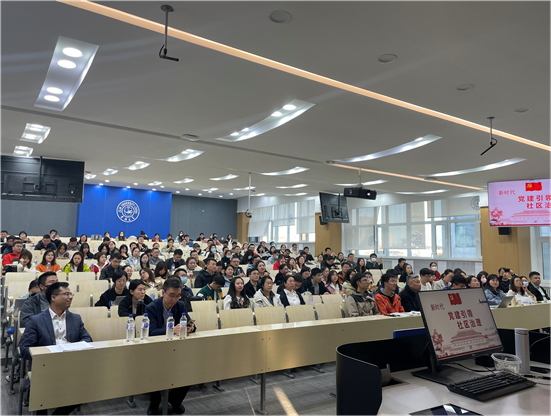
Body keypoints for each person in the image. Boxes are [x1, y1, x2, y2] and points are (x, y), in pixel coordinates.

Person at [19, 281, 92, 416]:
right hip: (45, 368)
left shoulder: (75, 318)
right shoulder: (36, 320)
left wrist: (72, 346)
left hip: (70, 366)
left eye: (71, 294)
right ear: (53, 297)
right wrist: (49, 352)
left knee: (87, 388)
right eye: (66, 294)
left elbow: (88, 339)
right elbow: (24, 349)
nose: (70, 297)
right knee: (41, 399)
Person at [145, 278, 195, 416]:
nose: (174, 299)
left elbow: (190, 323)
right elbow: (151, 331)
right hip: (156, 349)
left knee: (191, 368)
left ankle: (175, 400)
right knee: (155, 369)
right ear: (163, 293)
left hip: (176, 348)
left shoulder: (181, 305)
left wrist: (190, 327)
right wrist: (172, 330)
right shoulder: (151, 307)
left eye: (178, 296)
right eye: (171, 295)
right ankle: (154, 402)